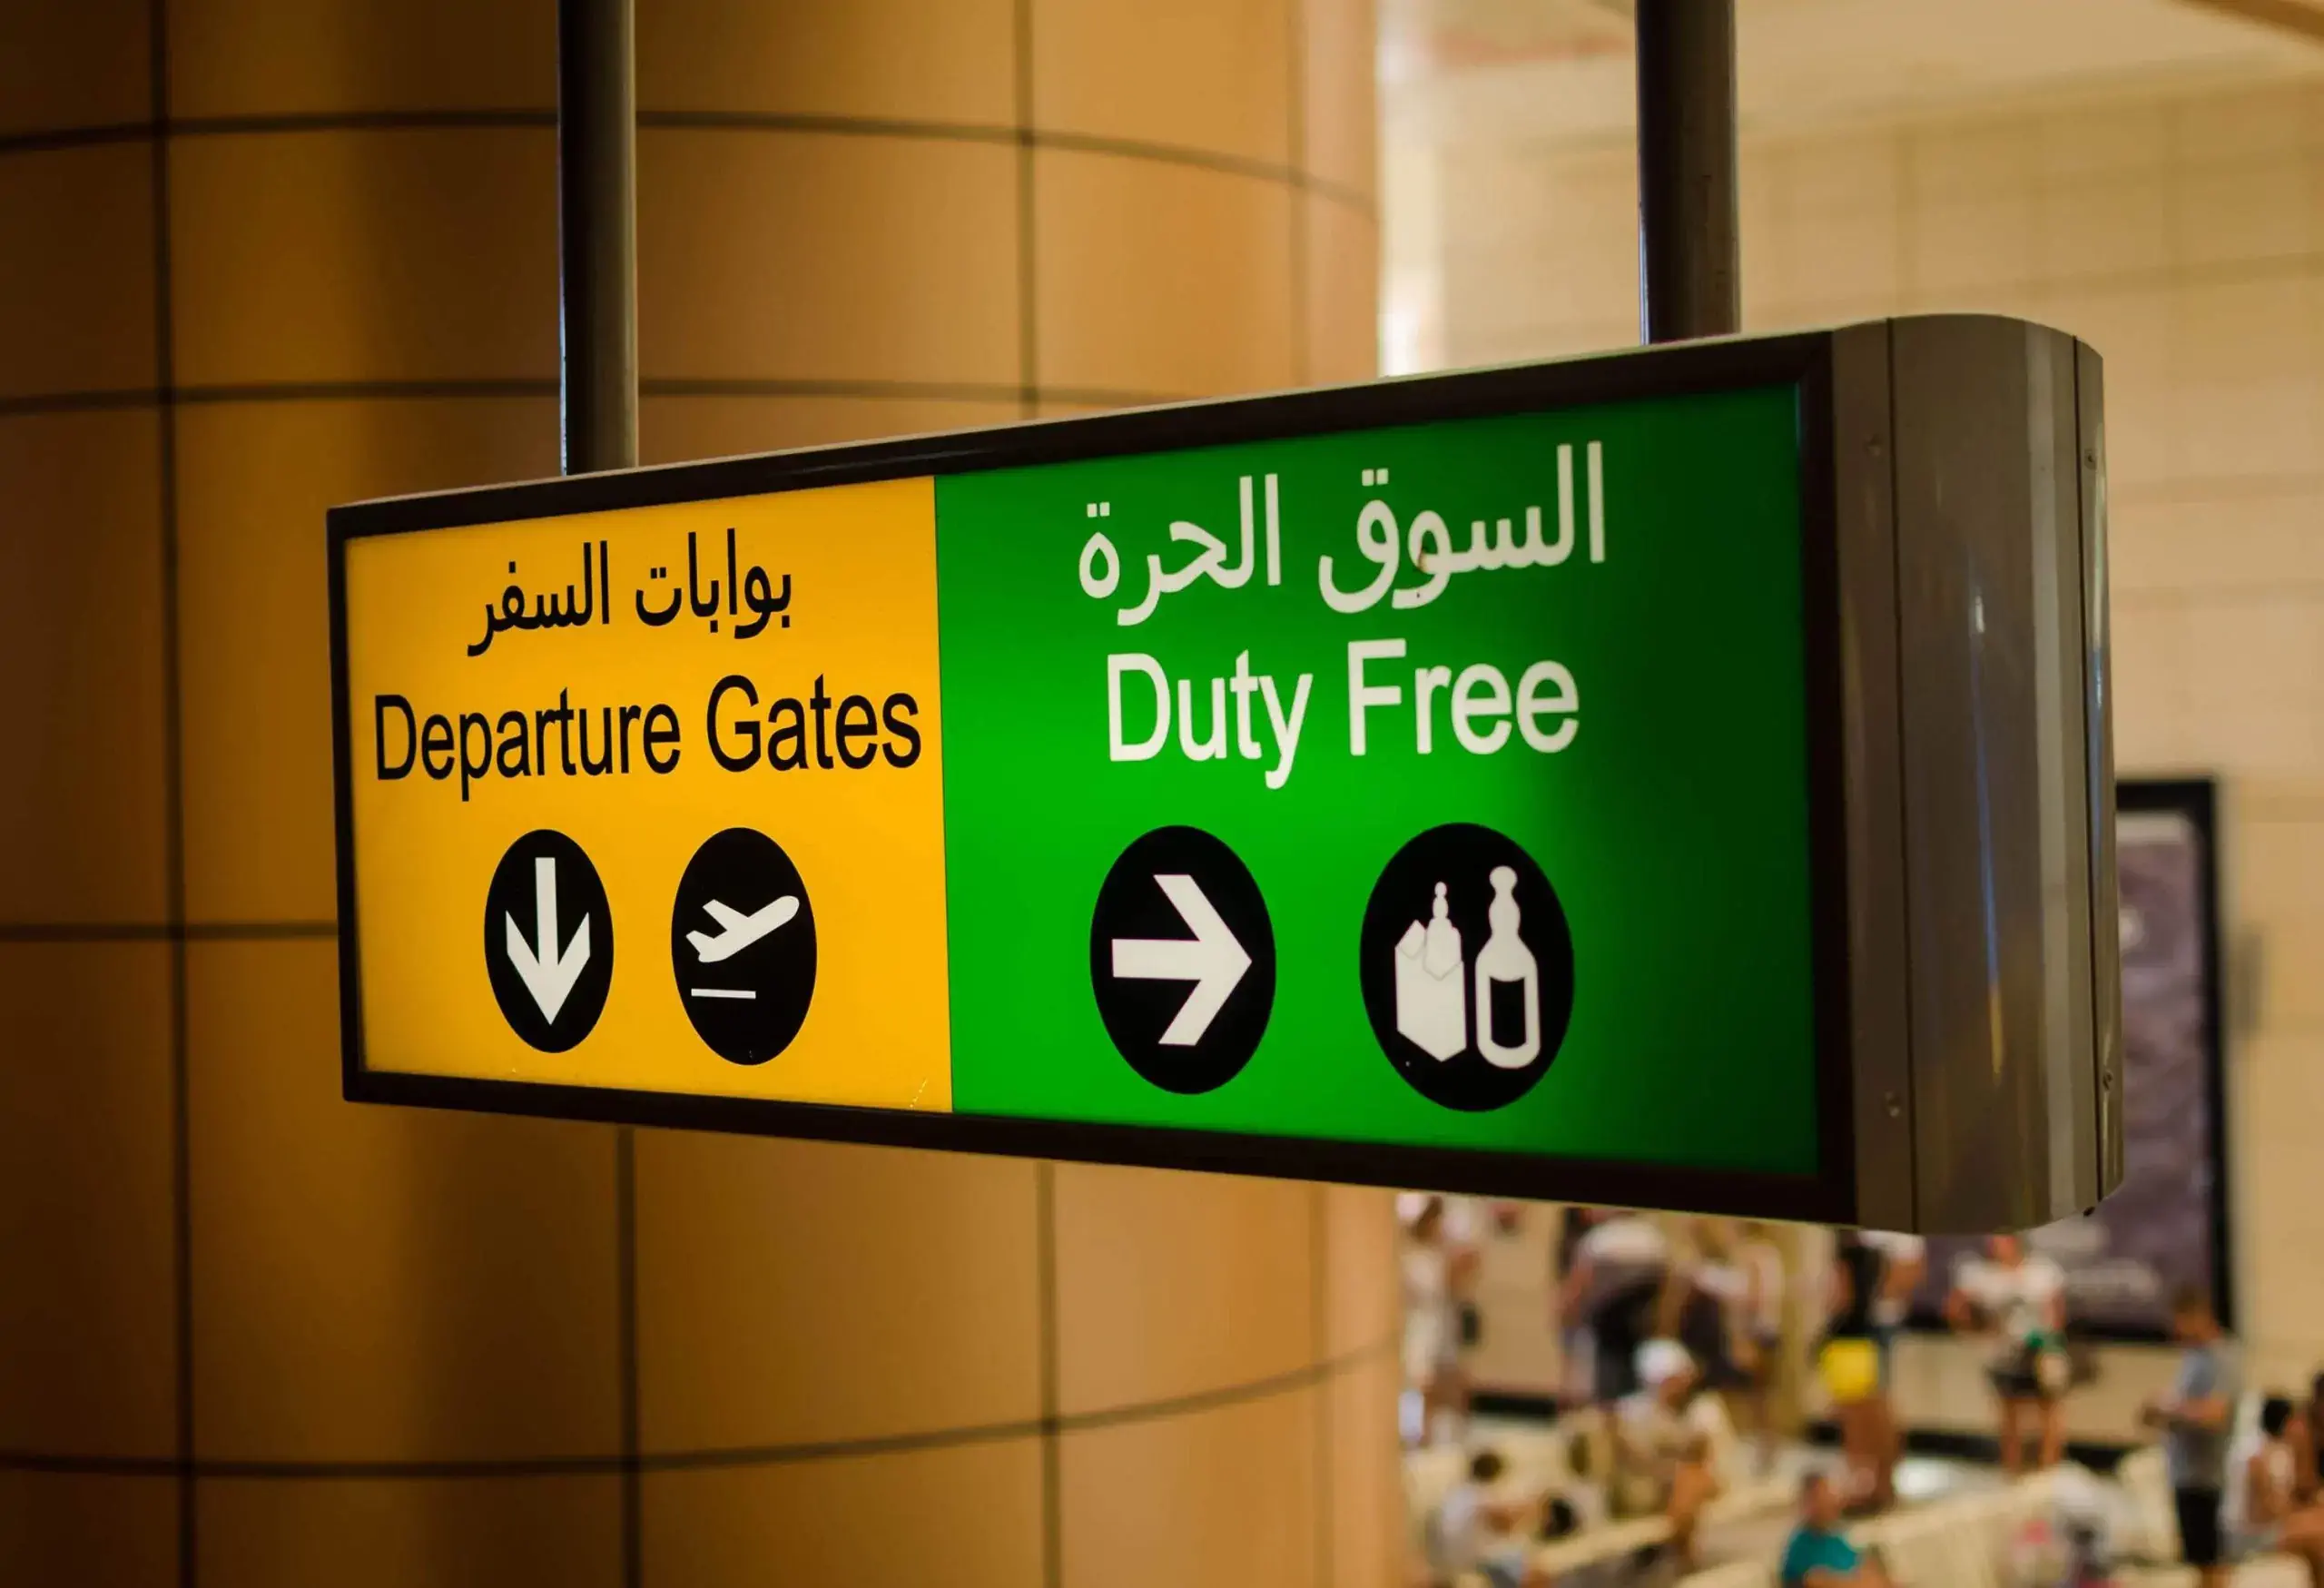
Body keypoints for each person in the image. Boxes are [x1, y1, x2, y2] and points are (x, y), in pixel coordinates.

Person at [2141, 1285, 2239, 1588]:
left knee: (2212, 1563)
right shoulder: (2193, 1358)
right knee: (2197, 1560)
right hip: (2186, 1474)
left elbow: (2215, 1414)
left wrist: (2171, 1410)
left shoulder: (2222, 1358)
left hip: (2206, 1476)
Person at [1947, 1233, 2070, 1475]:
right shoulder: (1981, 1275)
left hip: (2039, 1352)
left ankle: (2049, 1469)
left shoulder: (2042, 1272)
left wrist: (2049, 1343)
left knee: (2049, 1410)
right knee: (2009, 1413)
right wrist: (1977, 1329)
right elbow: (1956, 1309)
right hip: (2003, 1354)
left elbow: (2056, 1313)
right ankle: (2012, 1469)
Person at [1610, 1339, 1721, 1571]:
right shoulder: (1634, 1411)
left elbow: (1700, 1455)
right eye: (1671, 1381)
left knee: (1687, 1482)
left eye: (1680, 1379)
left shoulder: (1704, 1408)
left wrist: (1664, 1464)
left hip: (1697, 1481)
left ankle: (1681, 1560)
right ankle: (1684, 1563)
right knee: (1682, 1485)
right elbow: (1632, 1458)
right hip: (1653, 1488)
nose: (1678, 1386)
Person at [1821, 1231, 1900, 1511]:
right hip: (1869, 1338)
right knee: (1877, 1414)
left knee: (1855, 1423)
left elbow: (1842, 1296)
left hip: (1847, 1341)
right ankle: (1883, 1484)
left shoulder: (1848, 1256)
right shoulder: (1877, 1255)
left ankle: (1862, 1488)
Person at [1559, 1209, 1669, 1405]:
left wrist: (1565, 1316)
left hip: (1604, 1326)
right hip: (1641, 1325)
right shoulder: (1655, 1240)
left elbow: (1577, 1287)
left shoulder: (1598, 1241)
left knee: (1604, 1385)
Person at [2223, 1395, 2324, 1583]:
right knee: (2319, 1537)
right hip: (2249, 1535)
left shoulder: (2275, 1449)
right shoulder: (2256, 1457)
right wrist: (2301, 1512)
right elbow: (2265, 1511)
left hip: (2266, 1527)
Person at [1403, 1197, 1473, 1446]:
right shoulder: (1412, 1258)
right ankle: (1422, 1435)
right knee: (1423, 1384)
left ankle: (1452, 1433)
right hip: (1421, 1327)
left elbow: (1457, 1283)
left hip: (1442, 1325)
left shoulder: (1438, 1256)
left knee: (1452, 1382)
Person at [1426, 1449, 1550, 1588]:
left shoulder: (1457, 1494)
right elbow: (1505, 1521)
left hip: (1457, 1558)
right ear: (1494, 1474)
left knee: (1524, 1558)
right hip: (1473, 1562)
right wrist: (1532, 1507)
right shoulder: (1477, 1496)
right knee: (1537, 1572)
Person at [1780, 1470, 1889, 1586]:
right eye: (1824, 1496)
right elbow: (1818, 1581)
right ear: (1808, 1502)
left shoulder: (1836, 1540)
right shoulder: (1800, 1548)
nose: (1831, 1501)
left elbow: (1867, 1568)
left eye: (1830, 1495)